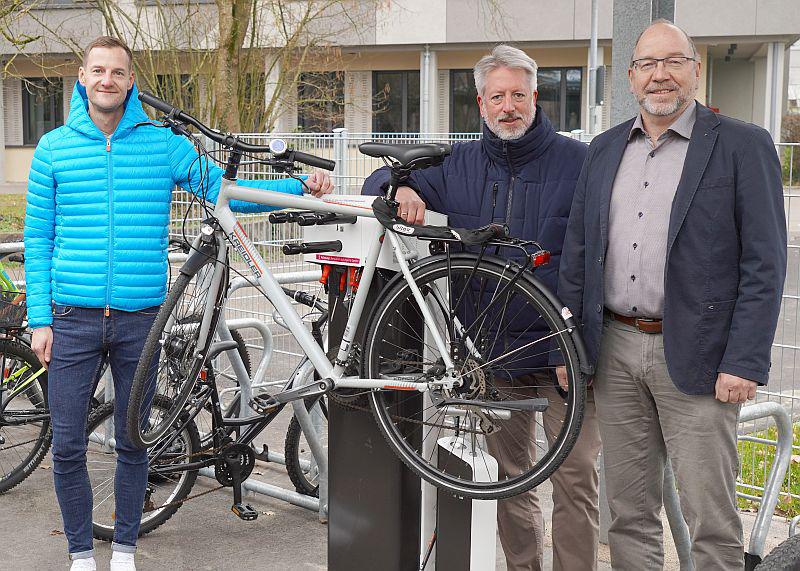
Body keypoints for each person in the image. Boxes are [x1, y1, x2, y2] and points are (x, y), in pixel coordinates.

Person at [24, 36, 332, 571]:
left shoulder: (163, 145)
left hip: (141, 317)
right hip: (71, 319)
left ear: (130, 81)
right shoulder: (53, 148)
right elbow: (36, 239)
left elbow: (225, 192)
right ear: (82, 77)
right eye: (98, 71)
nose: (107, 81)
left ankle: (123, 550)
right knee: (69, 444)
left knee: (133, 440)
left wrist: (298, 187)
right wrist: (41, 319)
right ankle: (79, 553)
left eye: (117, 72)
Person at [557, 20, 786, 569]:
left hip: (703, 358)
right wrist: (569, 348)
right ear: (631, 77)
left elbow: (765, 262)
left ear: (695, 69)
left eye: (673, 62)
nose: (660, 75)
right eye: (647, 65)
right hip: (614, 349)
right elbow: (579, 255)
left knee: (711, 518)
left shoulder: (741, 145)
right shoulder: (605, 149)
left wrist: (744, 361)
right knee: (628, 514)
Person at [362, 44, 602, 571]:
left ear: (535, 96)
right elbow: (374, 183)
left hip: (565, 356)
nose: (508, 106)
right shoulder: (459, 165)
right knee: (512, 483)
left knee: (576, 481)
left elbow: (595, 261)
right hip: (494, 358)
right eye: (498, 96)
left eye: (518, 94)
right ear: (480, 101)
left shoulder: (579, 163)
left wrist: (580, 346)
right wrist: (401, 188)